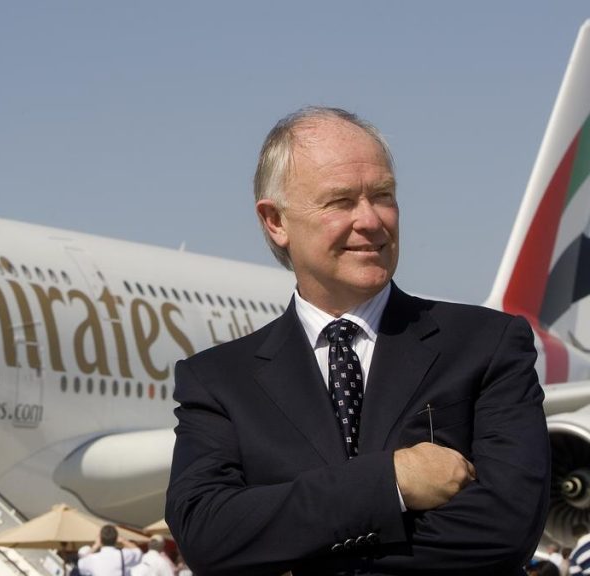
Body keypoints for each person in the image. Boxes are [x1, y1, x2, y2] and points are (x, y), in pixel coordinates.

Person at [165, 106, 550, 575]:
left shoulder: (487, 345)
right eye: (341, 201)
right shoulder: (218, 381)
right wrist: (391, 482)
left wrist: (292, 549)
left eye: (383, 195)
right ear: (275, 221)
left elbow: (505, 528)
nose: (371, 220)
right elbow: (207, 536)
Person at [77, 525, 141, 576]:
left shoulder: (92, 558)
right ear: (116, 539)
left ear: (100, 540)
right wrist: (123, 540)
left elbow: (81, 562)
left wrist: (96, 545)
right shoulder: (124, 555)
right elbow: (138, 551)